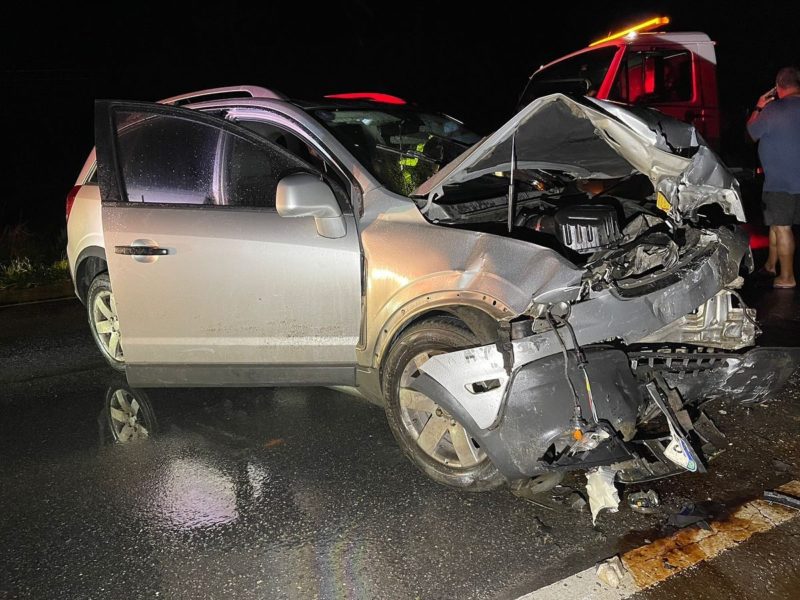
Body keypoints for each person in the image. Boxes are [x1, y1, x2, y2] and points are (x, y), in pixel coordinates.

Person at [747, 66, 800, 288]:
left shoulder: (772, 110)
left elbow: (751, 133)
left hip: (781, 182)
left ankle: (787, 277)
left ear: (778, 86)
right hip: (795, 181)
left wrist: (759, 107)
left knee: (782, 227)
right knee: (776, 224)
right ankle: (771, 264)